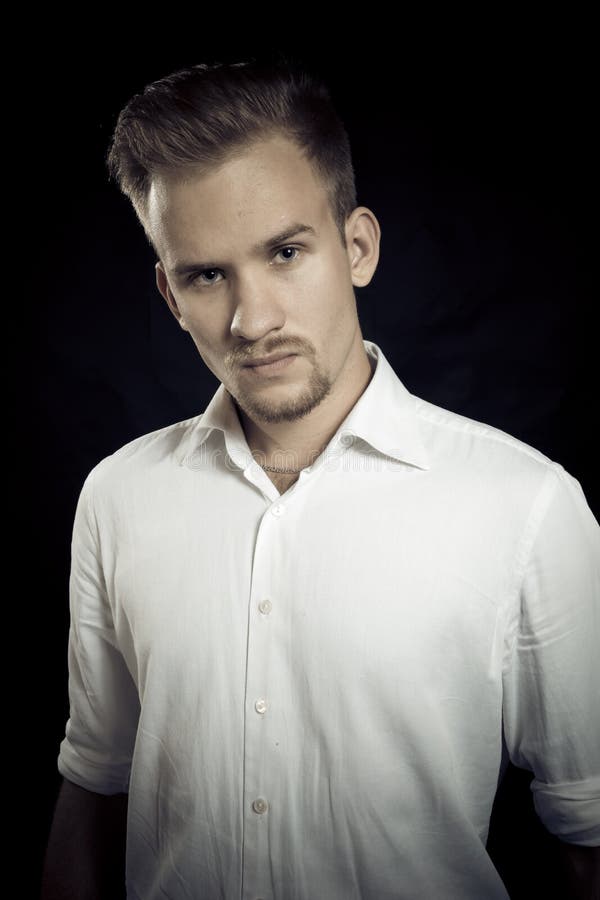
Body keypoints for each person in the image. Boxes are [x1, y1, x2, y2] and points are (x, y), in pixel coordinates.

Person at [42, 56, 599, 900]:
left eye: (286, 252)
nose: (252, 319)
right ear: (169, 292)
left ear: (358, 247)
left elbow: (588, 836)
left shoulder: (527, 506)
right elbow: (93, 780)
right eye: (206, 274)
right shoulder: (118, 498)